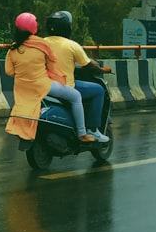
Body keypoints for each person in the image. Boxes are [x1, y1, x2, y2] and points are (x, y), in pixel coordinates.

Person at [4, 12, 95, 144]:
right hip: (44, 86)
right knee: (76, 96)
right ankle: (82, 133)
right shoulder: (41, 44)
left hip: (22, 87)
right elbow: (52, 64)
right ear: (33, 27)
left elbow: (9, 71)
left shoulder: (13, 48)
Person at [43, 10, 112, 143]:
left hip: (43, 84)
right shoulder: (72, 45)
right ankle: (92, 130)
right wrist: (102, 70)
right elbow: (88, 66)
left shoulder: (41, 43)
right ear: (67, 27)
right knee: (98, 90)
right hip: (64, 85)